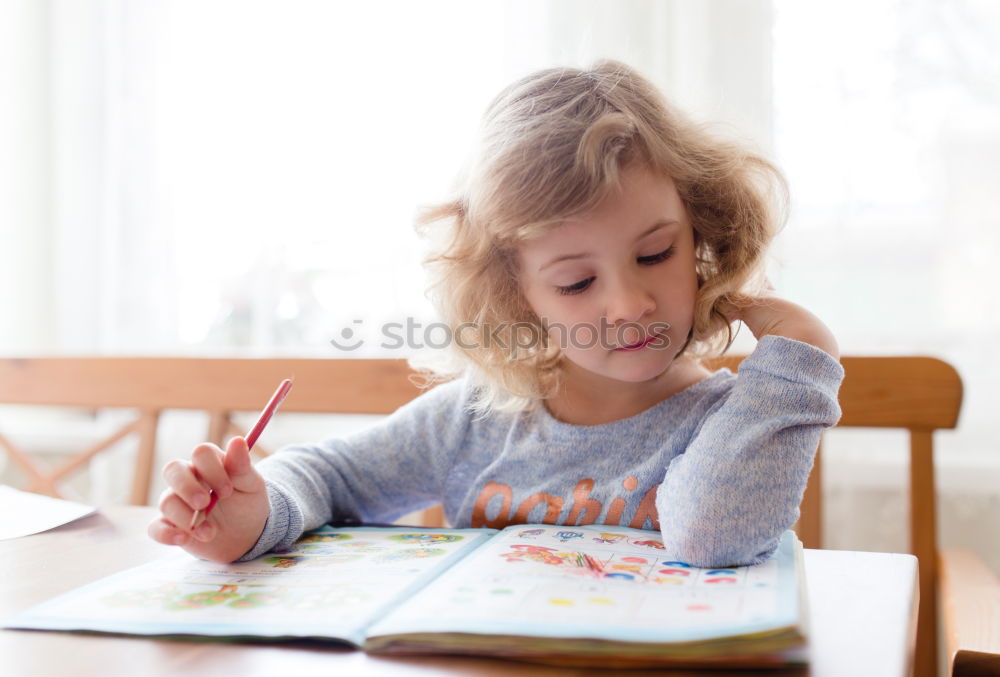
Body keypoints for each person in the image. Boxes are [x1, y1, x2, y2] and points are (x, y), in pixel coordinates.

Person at [148, 60, 843, 568]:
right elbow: (328, 477)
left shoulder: (732, 421)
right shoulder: (476, 418)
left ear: (701, 234)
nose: (630, 303)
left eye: (656, 253)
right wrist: (256, 513)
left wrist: (800, 357)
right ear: (516, 294)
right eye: (575, 282)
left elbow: (712, 535)